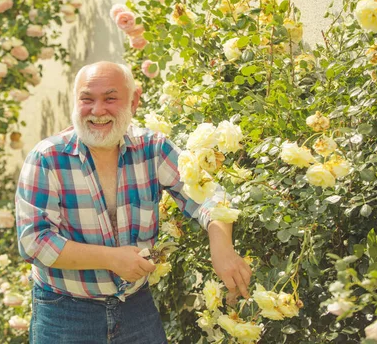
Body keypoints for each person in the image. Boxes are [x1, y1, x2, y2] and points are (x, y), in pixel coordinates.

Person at [15, 61, 252, 343]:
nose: (98, 110)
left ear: (133, 101)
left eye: (110, 98)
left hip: (135, 307)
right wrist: (111, 259)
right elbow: (34, 242)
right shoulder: (47, 158)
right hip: (64, 313)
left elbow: (210, 196)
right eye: (87, 99)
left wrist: (221, 245)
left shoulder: (153, 148)